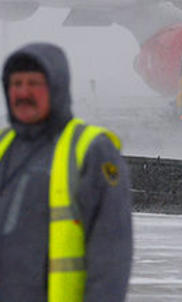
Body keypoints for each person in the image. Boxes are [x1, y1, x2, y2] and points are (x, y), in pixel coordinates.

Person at [0, 43, 132, 301]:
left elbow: (111, 253)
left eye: (34, 83)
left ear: (56, 87)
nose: (23, 92)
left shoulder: (91, 150)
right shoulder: (4, 146)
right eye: (16, 84)